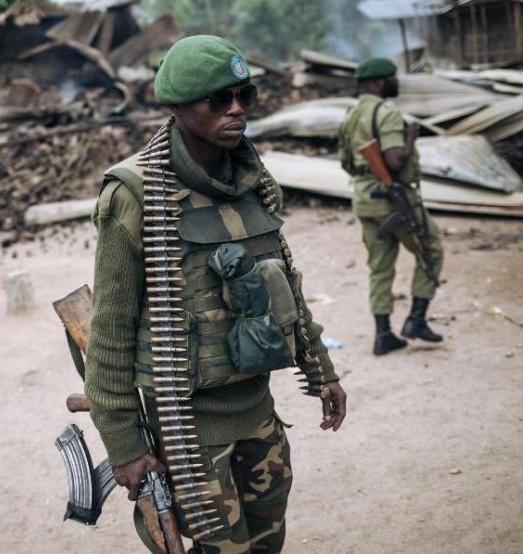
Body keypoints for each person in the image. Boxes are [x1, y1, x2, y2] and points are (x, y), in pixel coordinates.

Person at [84, 35, 347, 553]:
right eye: (218, 100)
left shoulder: (252, 177)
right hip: (189, 431)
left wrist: (321, 369)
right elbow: (109, 333)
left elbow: (284, 287)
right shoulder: (135, 194)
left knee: (269, 543)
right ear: (178, 107)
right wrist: (124, 445)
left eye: (244, 96)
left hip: (259, 412)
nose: (236, 111)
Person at [337, 57, 444, 356]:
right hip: (393, 199)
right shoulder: (386, 112)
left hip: (364, 200)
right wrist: (410, 139)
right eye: (393, 78)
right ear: (378, 82)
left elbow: (346, 162)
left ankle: (383, 334)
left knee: (380, 266)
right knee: (431, 249)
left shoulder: (351, 114)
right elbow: (395, 159)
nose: (396, 82)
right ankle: (416, 320)